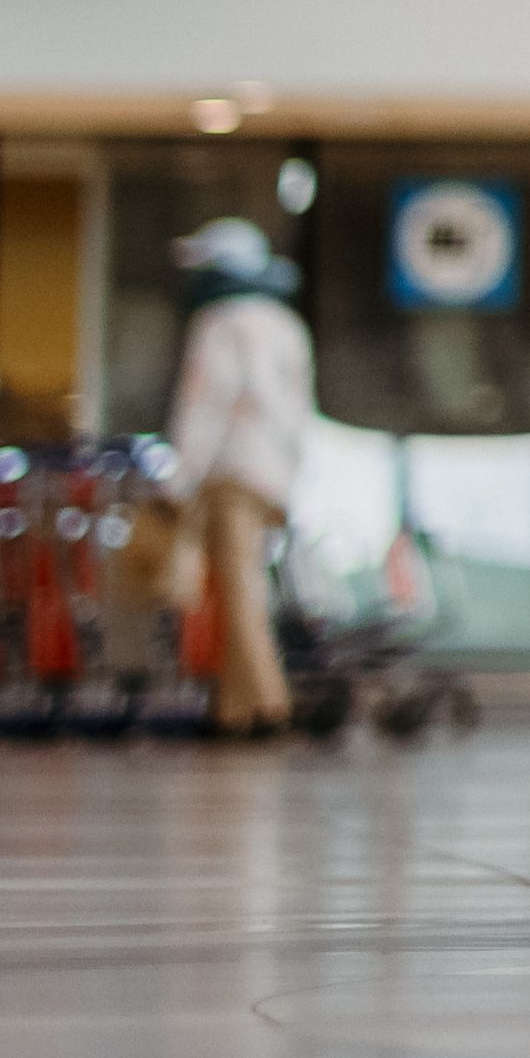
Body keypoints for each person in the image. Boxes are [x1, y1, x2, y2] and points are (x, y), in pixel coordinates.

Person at [160, 225, 316, 745]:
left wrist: (181, 475)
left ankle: (270, 706)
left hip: (231, 474)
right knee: (240, 587)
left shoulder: (220, 323)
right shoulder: (287, 326)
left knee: (238, 591)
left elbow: (206, 403)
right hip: (274, 476)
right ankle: (232, 710)